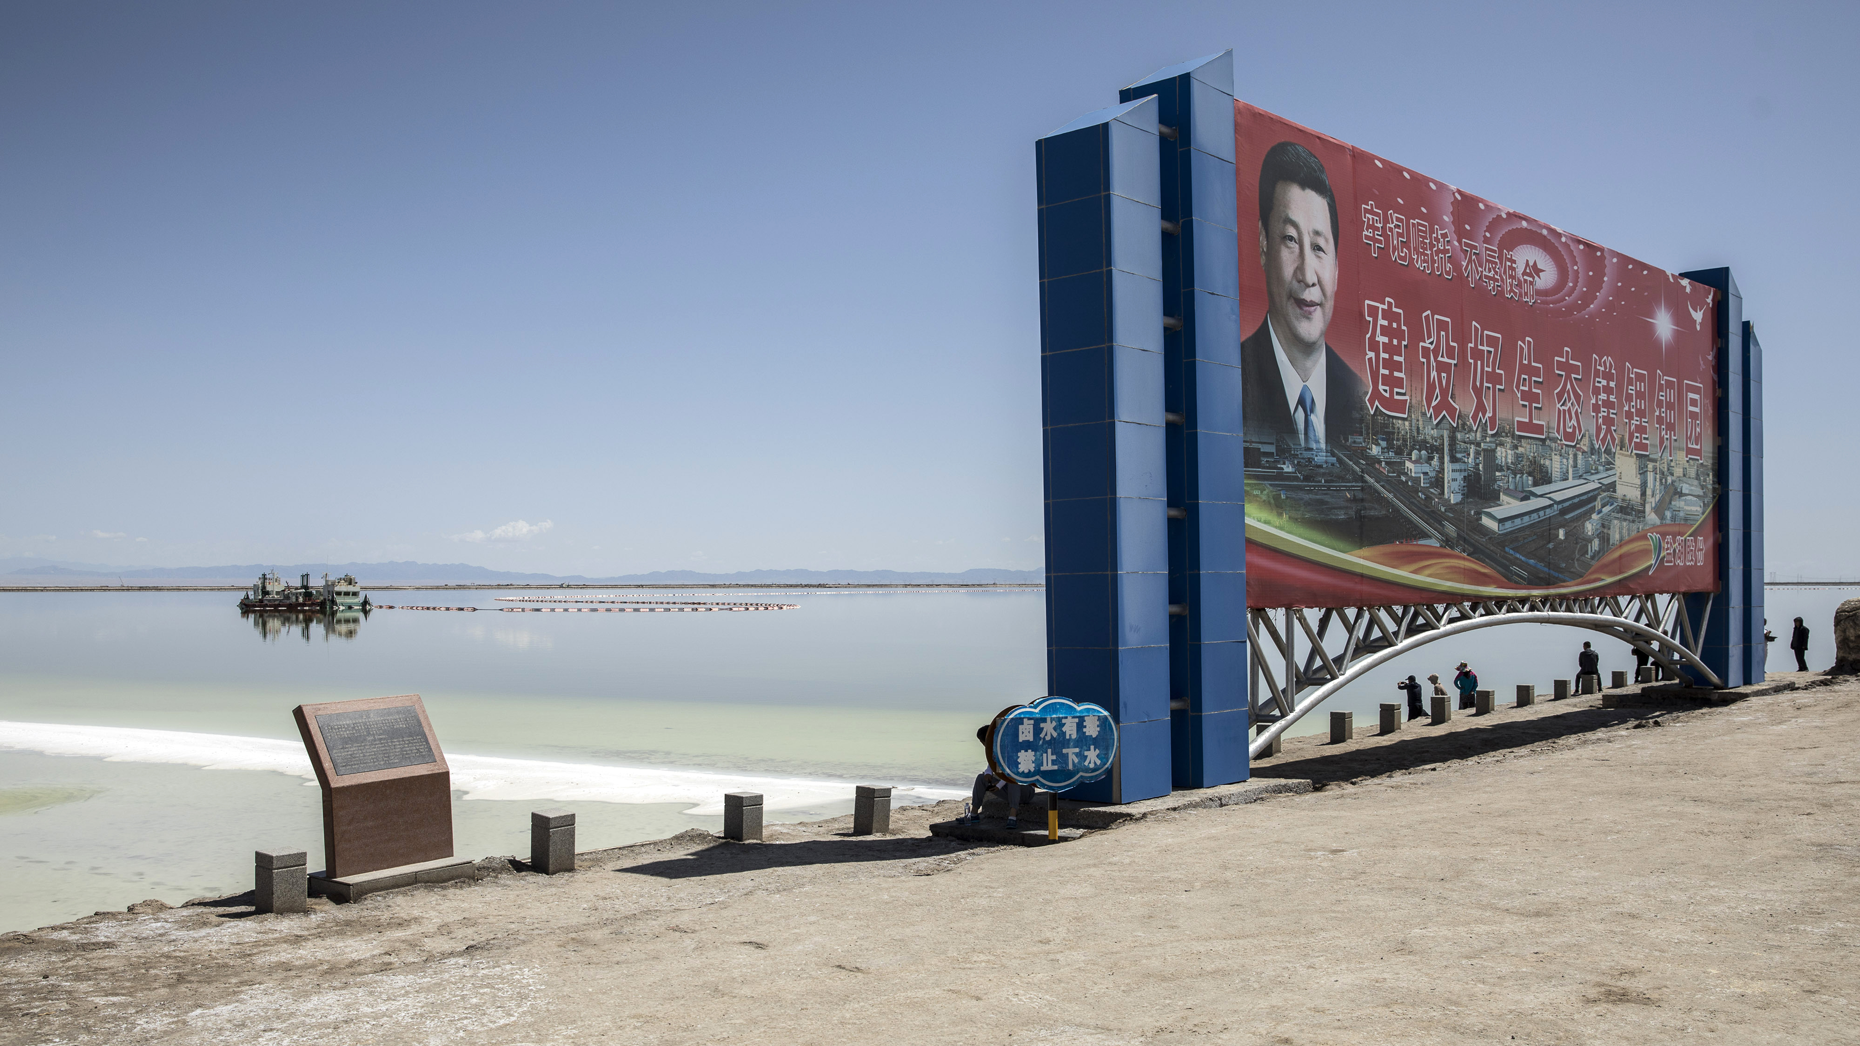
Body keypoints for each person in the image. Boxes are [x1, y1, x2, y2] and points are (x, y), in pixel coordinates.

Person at [1241, 141, 1366, 450]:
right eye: (1290, 239)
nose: (1307, 275)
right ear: (1263, 244)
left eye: (1319, 248)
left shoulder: (1358, 393)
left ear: (1336, 270)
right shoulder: (1232, 378)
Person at [966, 707, 1032, 828]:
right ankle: (974, 813)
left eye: (984, 742)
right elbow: (992, 764)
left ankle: (1012, 816)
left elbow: (1012, 772)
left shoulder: (1011, 748)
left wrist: (999, 785)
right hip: (1008, 791)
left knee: (1013, 780)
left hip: (1025, 791)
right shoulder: (994, 750)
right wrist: (988, 774)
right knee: (981, 778)